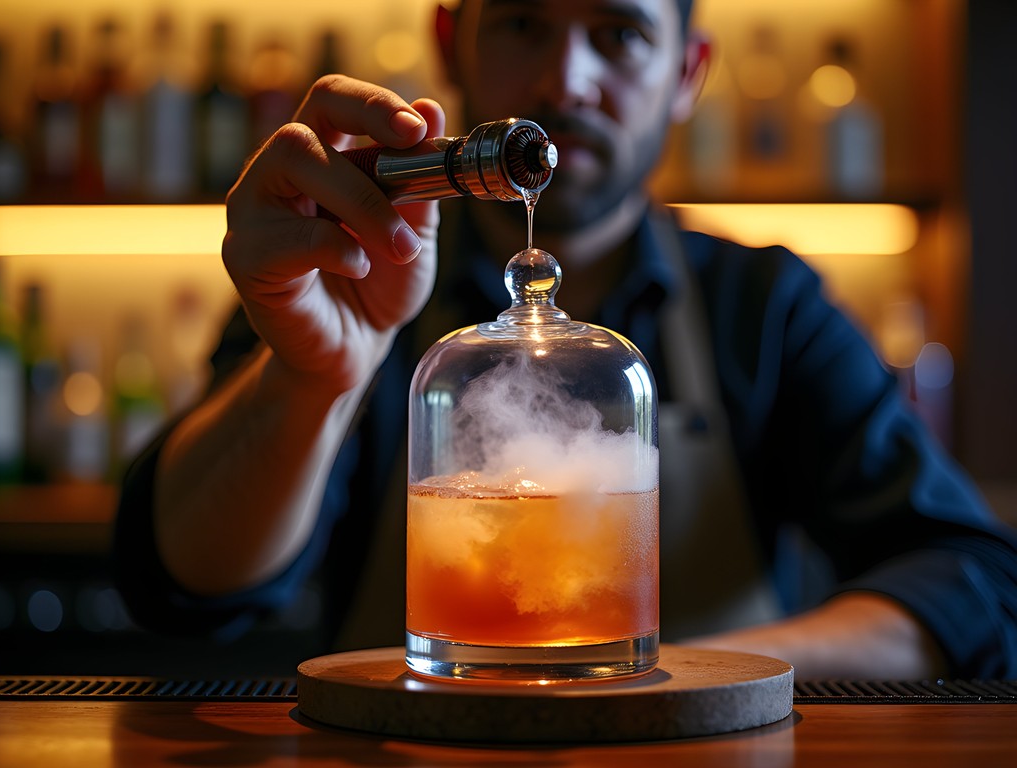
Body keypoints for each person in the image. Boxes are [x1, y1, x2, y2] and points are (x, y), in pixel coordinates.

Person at [113, 0, 1017, 680]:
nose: (565, 82)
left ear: (687, 74)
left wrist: (670, 673)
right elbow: (186, 588)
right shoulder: (336, 265)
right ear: (447, 39)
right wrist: (313, 378)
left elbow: (976, 584)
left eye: (620, 33)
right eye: (521, 24)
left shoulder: (763, 304)